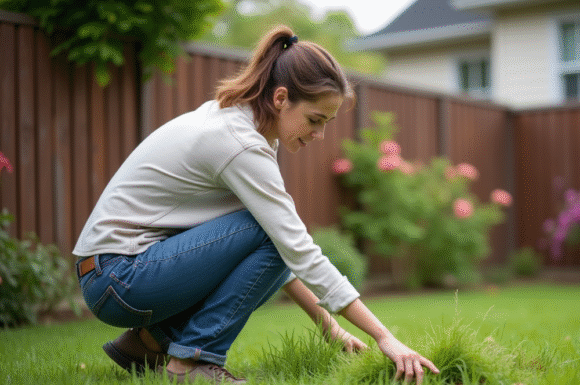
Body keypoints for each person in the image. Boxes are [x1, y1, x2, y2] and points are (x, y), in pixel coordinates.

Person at [73, 25, 439, 385]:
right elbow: (293, 247)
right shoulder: (240, 143)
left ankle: (149, 344)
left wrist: (332, 329)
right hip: (119, 277)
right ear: (281, 99)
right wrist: (383, 336)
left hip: (114, 274)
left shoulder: (243, 126)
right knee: (273, 232)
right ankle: (192, 362)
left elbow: (277, 255)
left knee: (271, 234)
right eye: (314, 120)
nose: (319, 134)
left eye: (326, 123)